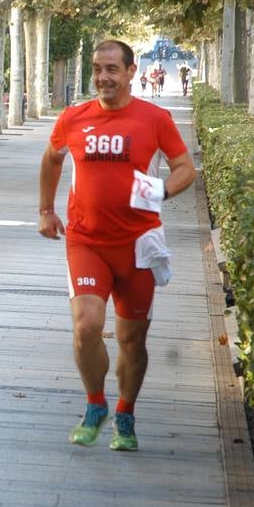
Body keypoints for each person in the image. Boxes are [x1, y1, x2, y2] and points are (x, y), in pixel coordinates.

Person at [37, 39, 196, 452]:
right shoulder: (73, 118)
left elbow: (185, 169)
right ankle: (95, 404)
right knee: (86, 326)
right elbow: (52, 158)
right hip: (86, 241)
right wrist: (46, 210)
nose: (103, 77)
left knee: (132, 339)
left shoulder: (154, 118)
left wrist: (161, 190)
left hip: (138, 244)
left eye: (111, 69)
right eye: (97, 69)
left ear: (130, 72)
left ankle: (125, 412)